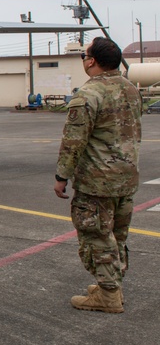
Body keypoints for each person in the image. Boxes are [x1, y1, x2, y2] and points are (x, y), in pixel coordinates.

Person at [54, 36, 141, 314]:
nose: (84, 60)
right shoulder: (130, 88)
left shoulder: (88, 94)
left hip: (97, 181)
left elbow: (73, 142)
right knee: (117, 235)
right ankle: (111, 284)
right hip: (126, 179)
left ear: (91, 61)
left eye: (84, 56)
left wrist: (61, 176)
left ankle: (108, 294)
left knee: (96, 235)